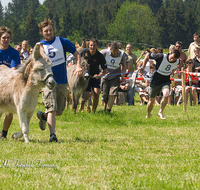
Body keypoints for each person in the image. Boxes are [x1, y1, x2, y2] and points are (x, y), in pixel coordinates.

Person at [36, 18, 82, 142]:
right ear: (42, 32)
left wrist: (78, 66)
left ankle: (43, 116)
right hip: (48, 82)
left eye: (50, 30)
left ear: (53, 30)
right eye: (46, 31)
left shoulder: (62, 41)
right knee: (52, 108)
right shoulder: (39, 46)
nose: (49, 32)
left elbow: (76, 53)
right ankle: (52, 135)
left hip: (62, 81)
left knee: (59, 111)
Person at [142, 49, 180, 119]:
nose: (172, 60)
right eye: (172, 57)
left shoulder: (177, 61)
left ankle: (161, 112)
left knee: (166, 95)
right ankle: (148, 114)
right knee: (151, 101)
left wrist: (172, 71)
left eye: (174, 59)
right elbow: (147, 55)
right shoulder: (161, 56)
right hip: (156, 80)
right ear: (170, 53)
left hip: (165, 80)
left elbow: (173, 66)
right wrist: (143, 67)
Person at [0, 26, 20, 139]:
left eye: (8, 37)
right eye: (3, 37)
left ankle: (4, 133)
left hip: (8, 84)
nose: (6, 40)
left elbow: (13, 70)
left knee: (9, 111)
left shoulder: (14, 53)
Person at [80, 38, 107, 112]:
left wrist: (99, 75)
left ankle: (94, 111)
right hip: (85, 76)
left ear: (97, 46)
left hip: (95, 77)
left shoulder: (100, 56)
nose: (92, 47)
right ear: (89, 45)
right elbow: (78, 62)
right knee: (87, 95)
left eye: (94, 45)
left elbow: (105, 71)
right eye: (91, 45)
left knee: (96, 93)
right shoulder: (83, 52)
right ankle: (83, 107)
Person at [100, 41, 126, 112]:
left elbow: (124, 65)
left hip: (115, 76)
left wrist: (123, 75)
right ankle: (105, 106)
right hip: (105, 76)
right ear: (110, 49)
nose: (116, 53)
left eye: (117, 50)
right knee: (105, 94)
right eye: (114, 51)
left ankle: (108, 110)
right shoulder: (104, 52)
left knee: (112, 94)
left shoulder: (122, 54)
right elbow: (97, 59)